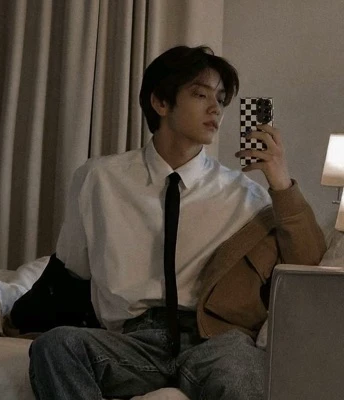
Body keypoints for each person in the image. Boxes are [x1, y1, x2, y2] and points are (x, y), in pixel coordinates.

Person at [28, 45, 326, 400]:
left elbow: (309, 266)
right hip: (135, 340)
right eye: (201, 95)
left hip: (215, 340)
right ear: (160, 102)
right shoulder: (98, 179)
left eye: (221, 99)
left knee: (241, 376)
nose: (216, 109)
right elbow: (73, 268)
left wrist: (280, 182)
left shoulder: (245, 195)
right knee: (56, 347)